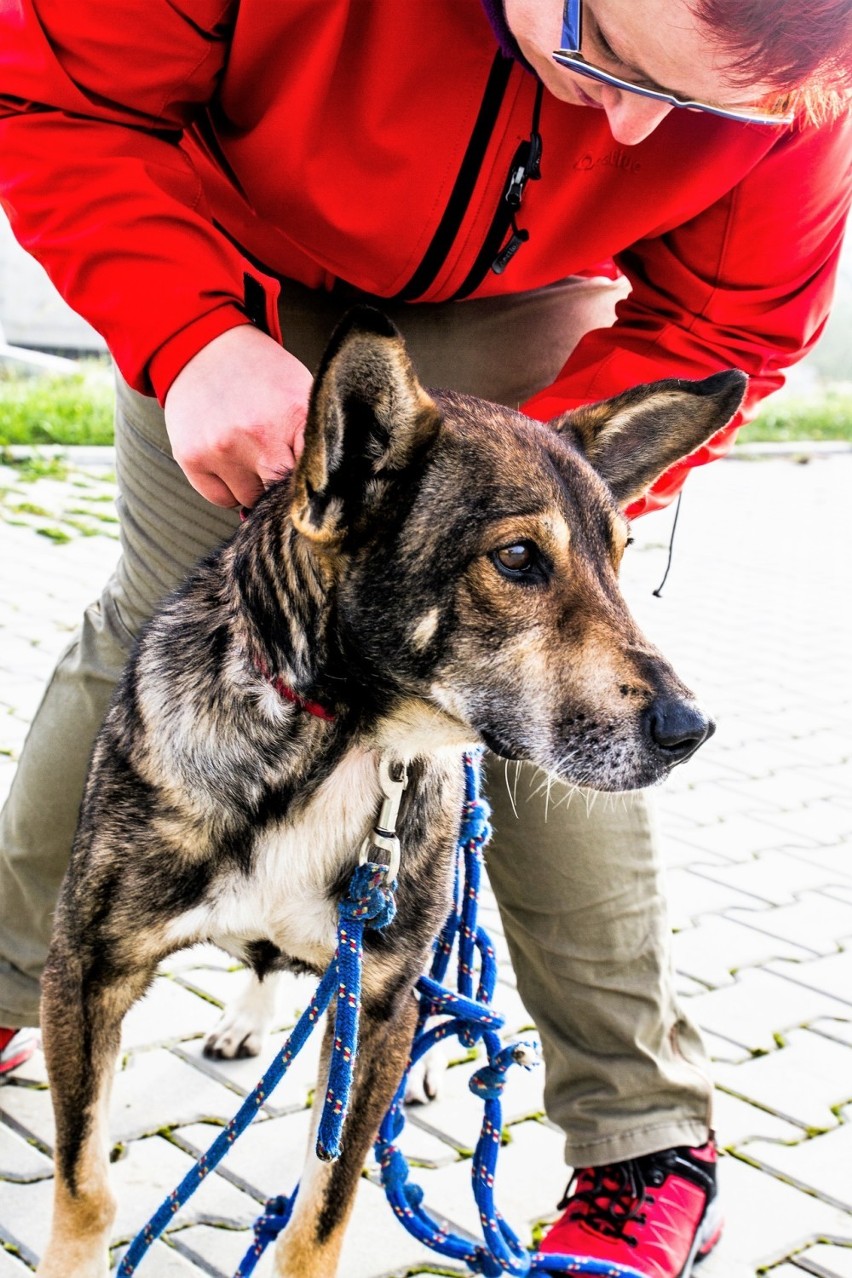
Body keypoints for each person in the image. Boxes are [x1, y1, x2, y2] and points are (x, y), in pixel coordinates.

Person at [0, 1, 849, 1273]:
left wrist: (504, 509)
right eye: (606, 58)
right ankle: (20, 986)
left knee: (563, 696)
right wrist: (188, 339)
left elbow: (735, 320)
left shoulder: (792, 63)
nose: (622, 128)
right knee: (157, 625)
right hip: (232, 255)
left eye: (695, 110)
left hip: (528, 298)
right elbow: (54, 93)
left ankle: (641, 1141)